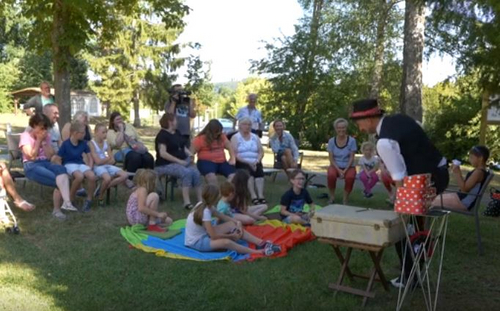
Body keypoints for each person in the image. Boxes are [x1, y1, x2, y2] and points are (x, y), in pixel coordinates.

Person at [350, 98, 449, 289]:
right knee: (407, 223)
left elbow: (399, 176)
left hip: (430, 178)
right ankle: (411, 272)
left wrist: (400, 201)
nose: (360, 128)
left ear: (369, 119)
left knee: (401, 225)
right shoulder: (400, 119)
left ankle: (410, 276)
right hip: (437, 172)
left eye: (359, 123)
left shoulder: (385, 142)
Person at [185, 184, 280, 256]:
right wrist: (231, 236)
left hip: (203, 234)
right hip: (197, 242)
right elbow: (213, 236)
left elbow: (223, 217)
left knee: (231, 224)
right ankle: (258, 252)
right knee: (227, 242)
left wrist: (237, 222)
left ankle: (260, 243)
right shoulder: (205, 211)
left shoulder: (205, 205)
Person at [19, 114, 77, 220]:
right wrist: (38, 141)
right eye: (41, 128)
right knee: (58, 180)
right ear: (34, 125)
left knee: (62, 170)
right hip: (31, 165)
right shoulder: (25, 136)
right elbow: (31, 156)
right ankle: (57, 210)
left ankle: (66, 203)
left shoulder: (47, 136)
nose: (44, 131)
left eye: (46, 128)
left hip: (45, 162)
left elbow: (50, 156)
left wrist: (45, 142)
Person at [155, 113, 202, 210]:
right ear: (170, 122)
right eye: (175, 120)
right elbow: (163, 153)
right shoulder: (162, 135)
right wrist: (179, 162)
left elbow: (182, 147)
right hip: (165, 164)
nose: (177, 122)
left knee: (196, 172)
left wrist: (190, 154)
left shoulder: (177, 132)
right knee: (186, 173)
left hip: (182, 161)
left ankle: (200, 201)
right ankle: (186, 202)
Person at [432, 146, 489, 211]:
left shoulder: (478, 173)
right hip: (461, 198)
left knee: (429, 201)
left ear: (480, 158)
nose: (469, 159)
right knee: (432, 198)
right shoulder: (480, 171)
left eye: (471, 157)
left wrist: (457, 173)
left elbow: (464, 189)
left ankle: (423, 220)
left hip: (463, 202)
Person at [89, 123, 132, 207]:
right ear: (96, 132)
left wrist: (105, 160)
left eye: (106, 132)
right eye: (103, 132)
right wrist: (107, 159)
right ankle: (101, 197)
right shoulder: (92, 144)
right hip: (97, 167)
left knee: (124, 175)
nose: (105, 135)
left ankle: (101, 189)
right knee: (107, 178)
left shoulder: (106, 144)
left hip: (106, 165)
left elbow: (113, 160)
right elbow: (97, 162)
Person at [58, 121, 97, 212]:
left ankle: (89, 200)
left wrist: (90, 167)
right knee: (79, 176)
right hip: (69, 164)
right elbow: (58, 158)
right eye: (82, 133)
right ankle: (70, 199)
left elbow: (90, 157)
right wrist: (61, 169)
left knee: (92, 176)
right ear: (75, 133)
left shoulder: (83, 143)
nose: (84, 135)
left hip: (80, 164)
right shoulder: (66, 144)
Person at [231, 117, 267, 204]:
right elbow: (234, 154)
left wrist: (257, 160)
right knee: (249, 174)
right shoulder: (235, 137)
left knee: (259, 175)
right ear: (239, 125)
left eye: (249, 125)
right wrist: (248, 162)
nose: (247, 126)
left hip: (255, 161)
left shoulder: (255, 137)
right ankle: (253, 196)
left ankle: (260, 195)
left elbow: (261, 151)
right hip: (242, 161)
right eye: (245, 124)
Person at [191, 119, 236, 185]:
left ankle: (224, 191)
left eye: (219, 132)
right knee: (211, 178)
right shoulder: (200, 139)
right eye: (216, 132)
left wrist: (232, 158)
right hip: (206, 162)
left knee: (234, 176)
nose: (217, 134)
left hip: (222, 162)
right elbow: (191, 152)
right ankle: (214, 194)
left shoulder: (222, 137)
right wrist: (192, 164)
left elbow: (229, 146)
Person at [326, 118, 357, 205]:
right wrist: (339, 170)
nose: (341, 130)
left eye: (343, 127)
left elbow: (352, 157)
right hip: (335, 165)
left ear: (346, 128)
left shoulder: (352, 141)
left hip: (348, 165)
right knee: (331, 175)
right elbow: (331, 158)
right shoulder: (331, 141)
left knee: (350, 177)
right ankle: (332, 197)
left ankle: (345, 199)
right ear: (335, 129)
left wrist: (345, 170)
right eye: (339, 128)